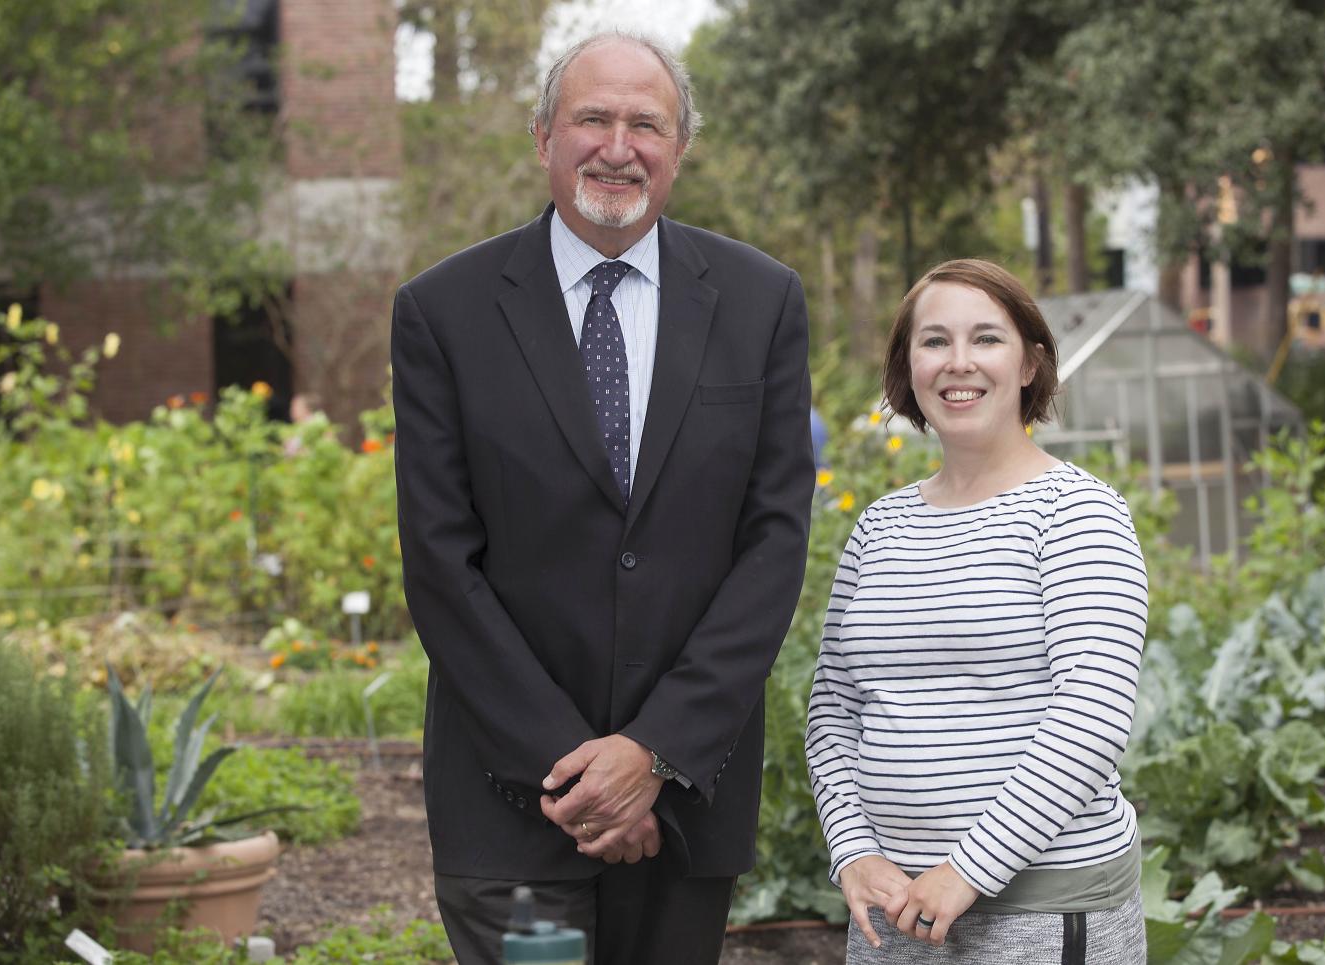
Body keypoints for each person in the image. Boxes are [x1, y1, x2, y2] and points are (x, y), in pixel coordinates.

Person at [390, 30, 814, 965]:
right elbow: (441, 564)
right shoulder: (442, 312)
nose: (619, 147)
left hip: (685, 803)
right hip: (510, 805)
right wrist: (579, 775)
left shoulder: (762, 302)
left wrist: (654, 753)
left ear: (680, 148)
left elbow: (775, 543)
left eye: (646, 125)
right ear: (543, 135)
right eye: (593, 119)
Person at [806, 259, 1147, 963]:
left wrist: (967, 870)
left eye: (986, 338)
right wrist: (854, 851)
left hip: (1039, 912)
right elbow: (834, 709)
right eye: (934, 341)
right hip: (891, 909)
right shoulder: (879, 526)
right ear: (908, 368)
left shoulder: (1078, 513)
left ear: (1029, 364)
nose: (958, 362)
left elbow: (1092, 713)